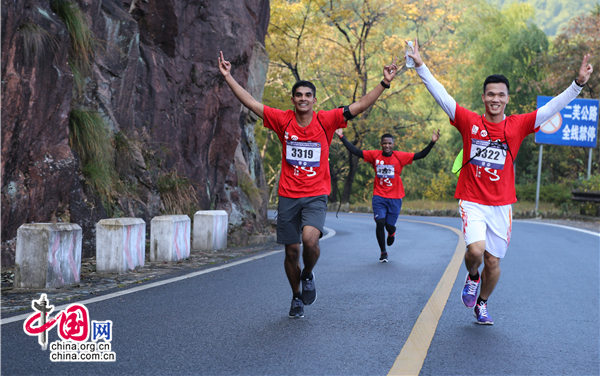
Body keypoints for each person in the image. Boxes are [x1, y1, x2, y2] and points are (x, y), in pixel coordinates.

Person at [407, 39, 593, 325]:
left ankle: (481, 303)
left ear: (507, 99)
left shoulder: (517, 125)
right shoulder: (469, 122)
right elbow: (441, 94)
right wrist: (420, 65)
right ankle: (471, 276)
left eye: (500, 95)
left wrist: (577, 85)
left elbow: (552, 107)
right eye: (490, 94)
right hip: (472, 200)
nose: (495, 98)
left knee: (493, 263)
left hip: (502, 205)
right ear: (483, 97)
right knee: (476, 251)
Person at [218, 51, 398, 318]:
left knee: (310, 241)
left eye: (307, 95)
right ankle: (296, 297)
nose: (303, 99)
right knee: (292, 252)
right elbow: (251, 102)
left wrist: (384, 83)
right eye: (299, 95)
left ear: (313, 100)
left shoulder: (327, 120)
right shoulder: (283, 120)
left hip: (315, 194)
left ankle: (309, 274)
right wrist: (228, 76)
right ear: (293, 100)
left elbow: (359, 105)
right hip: (288, 196)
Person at [334, 128, 440, 262]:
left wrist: (432, 142)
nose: (387, 146)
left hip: (395, 197)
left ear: (393, 144)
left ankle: (391, 232)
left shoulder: (399, 156)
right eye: (384, 143)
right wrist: (341, 136)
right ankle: (383, 252)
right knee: (380, 222)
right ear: (381, 144)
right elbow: (355, 151)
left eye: (389, 143)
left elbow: (421, 155)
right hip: (379, 195)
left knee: (389, 225)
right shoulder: (375, 155)